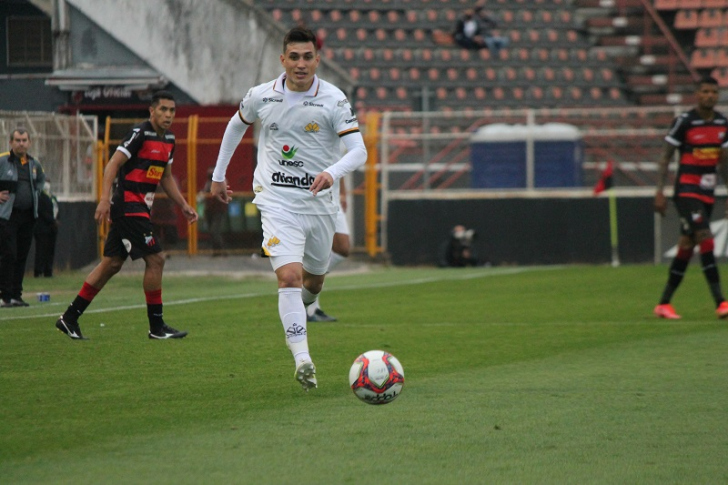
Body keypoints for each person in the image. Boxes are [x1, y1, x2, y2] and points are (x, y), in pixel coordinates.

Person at [209, 27, 367, 391]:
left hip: (319, 206)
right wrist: (219, 176)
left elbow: (359, 151)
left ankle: (308, 305)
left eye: (307, 57)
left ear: (317, 59)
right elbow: (236, 126)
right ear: (283, 60)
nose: (300, 64)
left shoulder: (333, 99)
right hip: (277, 201)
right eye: (293, 57)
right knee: (289, 278)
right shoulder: (262, 95)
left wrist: (331, 172)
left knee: (313, 280)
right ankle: (303, 360)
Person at [55, 91, 198, 340]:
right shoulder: (139, 133)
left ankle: (69, 318)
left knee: (111, 264)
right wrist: (104, 199)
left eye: (172, 110)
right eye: (163, 109)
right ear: (151, 111)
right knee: (156, 259)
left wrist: (184, 205)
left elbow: (165, 177)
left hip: (140, 208)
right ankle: (156, 327)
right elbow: (112, 164)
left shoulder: (170, 139)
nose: (168, 115)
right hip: (128, 206)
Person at [654, 76, 728, 320]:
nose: (709, 96)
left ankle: (664, 304)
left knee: (687, 245)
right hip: (686, 191)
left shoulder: (722, 123)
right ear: (697, 94)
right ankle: (721, 302)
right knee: (705, 239)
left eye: (713, 92)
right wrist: (660, 191)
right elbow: (665, 157)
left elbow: (724, 162)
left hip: (707, 193)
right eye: (705, 91)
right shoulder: (684, 121)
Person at [0, 128, 46, 307]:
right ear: (11, 142)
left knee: (21, 255)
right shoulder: (3, 160)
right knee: (8, 253)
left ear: (29, 143)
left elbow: (41, 180)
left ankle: (16, 295)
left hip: (28, 216)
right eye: (18, 140)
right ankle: (4, 295)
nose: (21, 143)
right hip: (8, 216)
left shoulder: (33, 163)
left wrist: (36, 193)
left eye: (24, 140)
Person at [306, 178, 350, 322]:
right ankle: (311, 309)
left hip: (334, 198)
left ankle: (305, 280)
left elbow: (342, 163)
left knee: (343, 248)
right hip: (316, 198)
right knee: (315, 250)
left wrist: (343, 193)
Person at [34, 180, 60, 277]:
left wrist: (56, 220)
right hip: (42, 228)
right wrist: (52, 221)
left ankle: (48, 270)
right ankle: (38, 271)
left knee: (50, 250)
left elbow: (57, 209)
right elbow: (42, 212)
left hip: (52, 228)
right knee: (41, 250)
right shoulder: (39, 196)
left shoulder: (52, 197)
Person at [202, 166, 228, 256]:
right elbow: (204, 194)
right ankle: (216, 251)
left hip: (218, 210)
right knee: (211, 231)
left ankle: (220, 251)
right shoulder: (207, 183)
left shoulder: (221, 182)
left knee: (215, 230)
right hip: (209, 210)